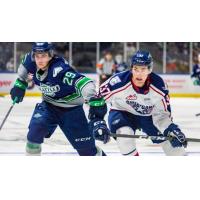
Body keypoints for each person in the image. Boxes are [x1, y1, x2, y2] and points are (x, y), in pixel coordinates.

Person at [10, 42, 109, 156]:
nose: (40, 59)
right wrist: (20, 84)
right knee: (34, 133)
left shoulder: (59, 70)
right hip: (49, 106)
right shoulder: (30, 61)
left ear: (50, 55)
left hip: (71, 110)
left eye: (43, 56)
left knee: (87, 152)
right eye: (37, 56)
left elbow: (86, 83)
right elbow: (23, 71)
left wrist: (94, 106)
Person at [95, 50, 187, 156]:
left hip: (148, 116)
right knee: (124, 139)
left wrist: (170, 130)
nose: (139, 74)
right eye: (136, 69)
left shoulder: (159, 86)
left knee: (176, 149)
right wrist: (97, 122)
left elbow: (162, 115)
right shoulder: (118, 82)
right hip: (122, 113)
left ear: (149, 69)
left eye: (143, 69)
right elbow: (97, 101)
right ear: (131, 68)